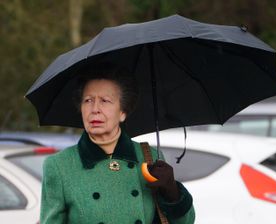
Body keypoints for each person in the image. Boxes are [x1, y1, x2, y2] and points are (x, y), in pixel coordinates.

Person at [40, 64, 195, 224]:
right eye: (88, 100)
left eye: (105, 101)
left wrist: (172, 192)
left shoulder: (150, 156)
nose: (95, 109)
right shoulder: (58, 165)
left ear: (123, 112)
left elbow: (186, 222)